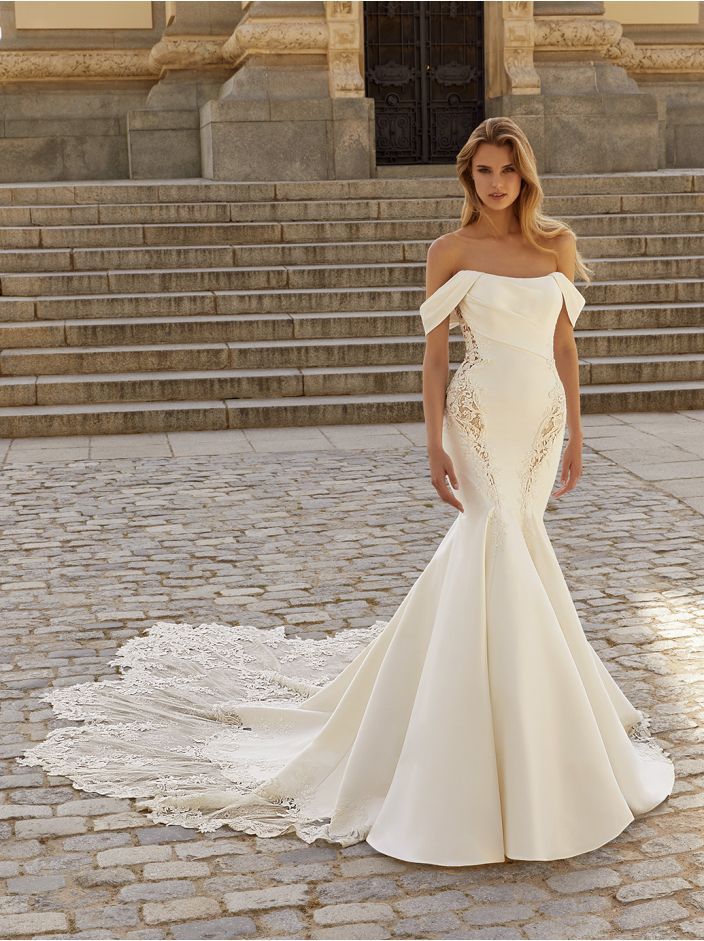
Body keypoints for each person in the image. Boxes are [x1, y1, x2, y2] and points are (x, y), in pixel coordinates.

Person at [17, 117, 675, 868]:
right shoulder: (448, 251)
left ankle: (540, 725)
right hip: (479, 411)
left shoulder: (554, 245)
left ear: (525, 177)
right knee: (492, 537)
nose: (496, 184)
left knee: (521, 544)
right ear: (468, 179)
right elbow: (433, 360)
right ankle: (475, 745)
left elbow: (564, 345)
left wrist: (579, 434)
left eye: (508, 172)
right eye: (483, 172)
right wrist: (431, 441)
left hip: (540, 416)